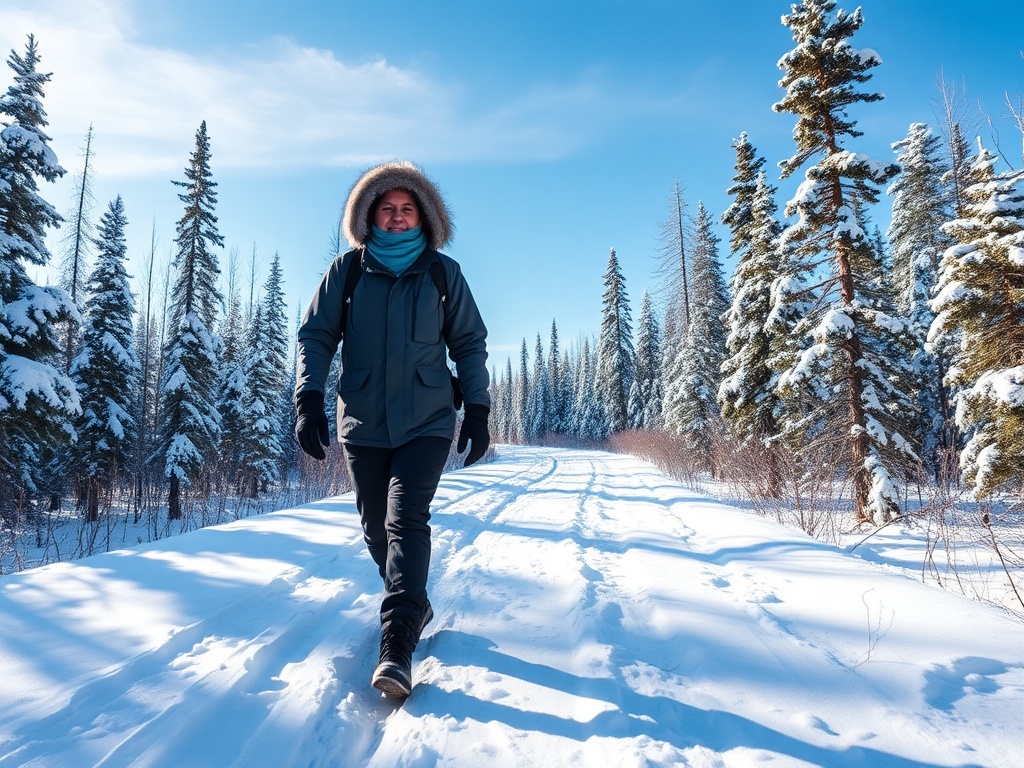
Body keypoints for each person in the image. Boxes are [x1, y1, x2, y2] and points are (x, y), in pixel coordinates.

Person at [294, 161, 490, 698]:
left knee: (406, 519)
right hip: (362, 422)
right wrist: (309, 396)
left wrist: (477, 408)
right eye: (388, 208)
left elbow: (469, 343)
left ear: (422, 215)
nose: (398, 217)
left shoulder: (442, 274)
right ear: (370, 215)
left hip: (427, 420)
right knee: (376, 528)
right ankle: (413, 600)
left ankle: (397, 641)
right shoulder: (348, 272)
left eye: (407, 209)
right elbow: (315, 336)